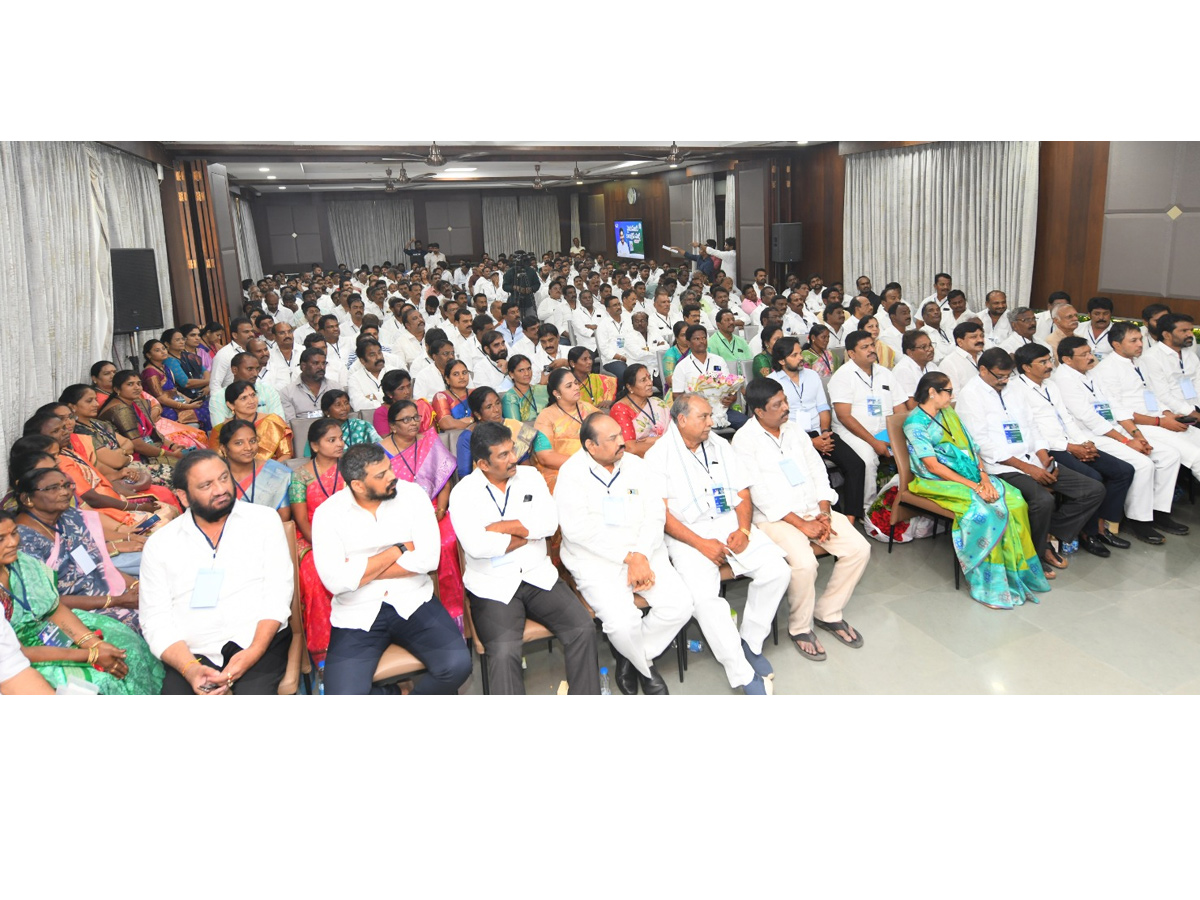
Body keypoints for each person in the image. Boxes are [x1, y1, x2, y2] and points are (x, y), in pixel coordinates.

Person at [645, 393, 786, 694]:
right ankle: (742, 674)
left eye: (711, 416)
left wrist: (744, 531)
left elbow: (743, 493)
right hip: (688, 534)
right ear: (681, 420)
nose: (712, 422)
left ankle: (749, 640)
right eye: (704, 417)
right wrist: (701, 544)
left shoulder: (720, 444)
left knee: (778, 571)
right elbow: (662, 514)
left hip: (729, 525)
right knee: (705, 601)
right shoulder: (659, 456)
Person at [449, 421, 600, 695]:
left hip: (538, 575)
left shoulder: (530, 477)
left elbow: (549, 524)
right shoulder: (463, 493)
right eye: (503, 455)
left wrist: (504, 527)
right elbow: (477, 546)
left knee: (583, 629)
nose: (513, 458)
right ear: (483, 464)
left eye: (512, 450)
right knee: (504, 651)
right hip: (493, 585)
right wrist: (527, 533)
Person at [311, 444, 471, 695]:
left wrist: (359, 571)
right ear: (358, 485)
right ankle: (394, 693)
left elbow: (429, 559)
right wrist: (397, 550)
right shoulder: (328, 514)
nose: (392, 477)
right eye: (381, 475)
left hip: (414, 600)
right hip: (357, 611)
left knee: (457, 666)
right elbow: (336, 581)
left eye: (389, 469)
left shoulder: (413, 495)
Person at [733, 378, 871, 660]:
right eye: (778, 404)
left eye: (785, 400)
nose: (786, 407)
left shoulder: (794, 430)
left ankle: (828, 612)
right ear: (759, 411)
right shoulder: (744, 441)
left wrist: (823, 512)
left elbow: (818, 472)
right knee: (805, 563)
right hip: (776, 518)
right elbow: (759, 494)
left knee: (859, 549)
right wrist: (802, 524)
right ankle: (799, 627)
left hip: (813, 509)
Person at [556, 413, 693, 694]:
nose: (623, 442)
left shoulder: (635, 465)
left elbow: (655, 515)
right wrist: (628, 558)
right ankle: (645, 668)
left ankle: (631, 657)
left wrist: (640, 555)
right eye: (613, 439)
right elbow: (577, 531)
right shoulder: (571, 474)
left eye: (621, 434)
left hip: (645, 552)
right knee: (622, 623)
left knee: (680, 606)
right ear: (591, 447)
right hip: (595, 561)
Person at [140, 451, 293, 694]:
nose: (221, 489)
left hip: (256, 640)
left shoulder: (263, 521)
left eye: (224, 478)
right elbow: (155, 619)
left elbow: (278, 593)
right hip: (192, 652)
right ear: (184, 496)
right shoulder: (161, 544)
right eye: (206, 485)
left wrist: (253, 653)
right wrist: (189, 669)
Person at [902, 372, 1050, 608]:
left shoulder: (948, 414)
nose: (952, 396)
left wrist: (984, 477)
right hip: (936, 480)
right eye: (948, 391)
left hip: (970, 474)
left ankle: (1019, 572)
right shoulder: (915, 423)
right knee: (987, 512)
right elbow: (932, 465)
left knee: (1016, 501)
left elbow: (972, 447)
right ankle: (991, 584)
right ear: (932, 392)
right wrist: (975, 486)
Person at [956, 349, 1107, 577]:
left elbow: (1032, 425)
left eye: (1008, 375)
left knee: (1093, 490)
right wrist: (1027, 468)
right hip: (1001, 467)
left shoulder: (1014, 387)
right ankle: (1036, 554)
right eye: (1000, 376)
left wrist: (1042, 454)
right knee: (1043, 501)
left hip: (1033, 458)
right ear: (983, 370)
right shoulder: (971, 395)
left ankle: (1046, 531)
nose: (1005, 381)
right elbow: (982, 444)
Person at [0, 510, 163, 693]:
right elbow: (12, 655)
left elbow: (54, 609)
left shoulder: (23, 563)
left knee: (126, 646)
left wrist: (94, 644)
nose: (13, 543)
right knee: (100, 681)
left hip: (47, 629)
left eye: (14, 533)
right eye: (1, 539)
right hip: (20, 658)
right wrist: (91, 654)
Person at [1052, 335, 1183, 545]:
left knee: (1169, 455)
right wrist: (1126, 441)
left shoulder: (1091, 374)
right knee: (1142, 464)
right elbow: (1089, 418)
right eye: (1084, 354)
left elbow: (1114, 405)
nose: (1090, 357)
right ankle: (1138, 521)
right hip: (1091, 435)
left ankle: (1158, 512)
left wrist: (1137, 435)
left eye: (1090, 352)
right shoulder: (1063, 379)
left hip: (1115, 428)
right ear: (1067, 360)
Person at [1012, 344, 1134, 557]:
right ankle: (1088, 533)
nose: (1050, 365)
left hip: (1070, 441)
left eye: (1049, 360)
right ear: (1026, 367)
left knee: (1123, 470)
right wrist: (1069, 447)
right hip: (1049, 448)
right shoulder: (1016, 390)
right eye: (1043, 362)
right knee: (1094, 479)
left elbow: (1066, 418)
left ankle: (1100, 525)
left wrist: (1084, 442)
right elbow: (1030, 431)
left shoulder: (1050, 386)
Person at [14, 466, 143, 630]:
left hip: (106, 594)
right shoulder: (20, 540)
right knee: (148, 622)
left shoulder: (69, 517)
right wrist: (115, 601)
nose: (64, 493)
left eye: (66, 486)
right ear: (27, 499)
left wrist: (134, 585)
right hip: (66, 615)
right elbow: (45, 601)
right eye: (53, 488)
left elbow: (95, 564)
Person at [378, 399, 466, 630]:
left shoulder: (430, 441)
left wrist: (440, 509)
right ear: (393, 426)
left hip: (436, 509)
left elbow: (445, 482)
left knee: (447, 542)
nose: (413, 423)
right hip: (399, 518)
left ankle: (455, 612)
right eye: (406, 419)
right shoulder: (379, 453)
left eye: (415, 417)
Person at [1094, 321, 1200, 493]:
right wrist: (1160, 421)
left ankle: (1159, 509)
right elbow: (1118, 411)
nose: (1140, 344)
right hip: (1140, 424)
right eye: (1134, 341)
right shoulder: (1107, 369)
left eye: (1140, 339)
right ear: (1117, 344)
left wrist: (1167, 414)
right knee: (1195, 457)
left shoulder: (1140, 362)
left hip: (1160, 417)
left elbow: (1153, 394)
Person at [769, 337, 866, 521]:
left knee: (856, 465)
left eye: (800, 353)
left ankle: (851, 518)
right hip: (792, 437)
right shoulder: (772, 382)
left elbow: (823, 408)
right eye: (795, 355)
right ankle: (829, 519)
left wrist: (824, 433)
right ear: (782, 361)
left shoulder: (812, 375)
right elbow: (776, 421)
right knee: (818, 471)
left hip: (819, 432)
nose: (801, 358)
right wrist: (810, 442)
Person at [288, 417, 344, 662]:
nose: (340, 444)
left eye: (341, 438)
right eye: (332, 440)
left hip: (351, 535)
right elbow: (301, 521)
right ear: (315, 445)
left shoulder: (351, 468)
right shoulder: (300, 476)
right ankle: (324, 651)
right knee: (315, 577)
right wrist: (325, 546)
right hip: (312, 539)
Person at [827, 330, 895, 513]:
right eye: (864, 347)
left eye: (872, 345)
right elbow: (844, 417)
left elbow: (900, 408)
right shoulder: (842, 376)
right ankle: (868, 509)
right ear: (851, 354)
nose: (871, 350)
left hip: (883, 430)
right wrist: (874, 442)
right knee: (867, 457)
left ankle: (900, 502)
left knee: (910, 449)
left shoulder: (885, 373)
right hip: (852, 433)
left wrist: (896, 436)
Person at [99, 369, 185, 476]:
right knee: (185, 468)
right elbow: (137, 445)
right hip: (133, 457)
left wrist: (172, 446)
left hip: (150, 448)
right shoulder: (120, 409)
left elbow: (152, 430)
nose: (137, 387)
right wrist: (170, 454)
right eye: (130, 384)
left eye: (139, 384)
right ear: (117, 389)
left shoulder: (135, 403)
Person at [532, 368, 601, 493]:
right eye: (569, 386)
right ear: (556, 393)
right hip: (561, 471)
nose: (576, 387)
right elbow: (545, 457)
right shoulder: (546, 416)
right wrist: (583, 465)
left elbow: (607, 435)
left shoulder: (588, 409)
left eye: (576, 383)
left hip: (595, 466)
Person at [217, 419, 293, 521]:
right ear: (223, 448)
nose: (248, 448)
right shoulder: (214, 476)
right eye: (239, 443)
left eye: (252, 441)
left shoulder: (278, 473)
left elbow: (283, 518)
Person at [456, 387, 535, 478]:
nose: (496, 410)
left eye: (497, 403)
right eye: (489, 407)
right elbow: (465, 475)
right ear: (478, 414)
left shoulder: (513, 426)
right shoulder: (467, 437)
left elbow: (525, 464)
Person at [209, 381, 293, 461]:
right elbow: (217, 460)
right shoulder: (220, 430)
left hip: (271, 471)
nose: (251, 401)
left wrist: (268, 472)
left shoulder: (274, 422)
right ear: (231, 405)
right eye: (243, 398)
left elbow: (286, 455)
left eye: (253, 395)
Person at [1141, 312, 1200, 419]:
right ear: (1166, 335)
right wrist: (1193, 414)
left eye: (1191, 330)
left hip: (1195, 408)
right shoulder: (1151, 358)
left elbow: (1198, 384)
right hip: (1172, 414)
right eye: (1184, 331)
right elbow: (1162, 395)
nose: (1190, 334)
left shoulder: (1190, 355)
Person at [143, 336, 208, 429]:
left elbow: (174, 391)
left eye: (163, 348)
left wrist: (190, 401)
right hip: (163, 408)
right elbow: (161, 399)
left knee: (206, 406)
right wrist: (186, 406)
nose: (163, 351)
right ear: (149, 355)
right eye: (157, 350)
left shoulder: (164, 368)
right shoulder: (150, 372)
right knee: (203, 412)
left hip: (175, 402)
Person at [610, 364, 667, 458]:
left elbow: (676, 434)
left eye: (649, 378)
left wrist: (658, 440)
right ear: (629, 387)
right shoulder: (620, 410)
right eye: (643, 380)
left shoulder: (657, 402)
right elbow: (631, 448)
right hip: (638, 462)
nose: (650, 383)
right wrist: (666, 443)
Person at [300, 389, 374, 457]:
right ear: (326, 411)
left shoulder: (362, 425)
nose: (344, 408)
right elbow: (309, 457)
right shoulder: (319, 430)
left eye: (346, 403)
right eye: (338, 405)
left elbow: (380, 447)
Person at [891, 330, 942, 412]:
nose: (930, 349)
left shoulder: (932, 366)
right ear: (910, 352)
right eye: (924, 347)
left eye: (930, 345)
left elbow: (943, 392)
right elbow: (912, 405)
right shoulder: (903, 370)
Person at [280, 347, 334, 421]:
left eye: (323, 363)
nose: (321, 367)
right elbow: (290, 424)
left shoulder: (335, 387)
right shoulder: (287, 393)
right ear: (303, 366)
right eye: (316, 363)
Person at [940, 320, 986, 391]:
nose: (980, 340)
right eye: (974, 337)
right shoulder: (949, 363)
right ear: (960, 342)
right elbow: (953, 396)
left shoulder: (986, 357)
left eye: (982, 336)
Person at [502, 354, 549, 422]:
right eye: (521, 370)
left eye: (529, 369)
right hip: (528, 432)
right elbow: (516, 428)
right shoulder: (510, 398)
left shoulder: (542, 390)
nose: (527, 373)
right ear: (511, 374)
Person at [432, 359, 475, 434]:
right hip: (453, 439)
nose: (462, 377)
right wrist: (473, 422)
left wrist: (462, 422)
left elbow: (488, 416)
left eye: (464, 373)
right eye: (456, 374)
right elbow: (446, 423)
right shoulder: (441, 397)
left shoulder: (475, 393)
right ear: (447, 379)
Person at [1082, 296, 1116, 363]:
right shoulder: (1078, 329)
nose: (1101, 317)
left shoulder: (1120, 332)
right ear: (1089, 315)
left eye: (1105, 313)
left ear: (1111, 314)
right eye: (1097, 314)